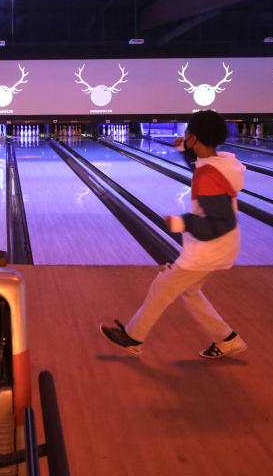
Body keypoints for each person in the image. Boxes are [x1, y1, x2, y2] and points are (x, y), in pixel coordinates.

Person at [99, 110, 248, 359]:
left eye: (187, 132)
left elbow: (222, 221)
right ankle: (227, 339)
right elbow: (202, 167)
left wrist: (182, 223)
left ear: (193, 137)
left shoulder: (208, 174)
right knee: (189, 292)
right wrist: (184, 153)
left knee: (162, 287)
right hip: (220, 246)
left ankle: (133, 339)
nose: (184, 134)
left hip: (209, 248)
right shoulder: (221, 162)